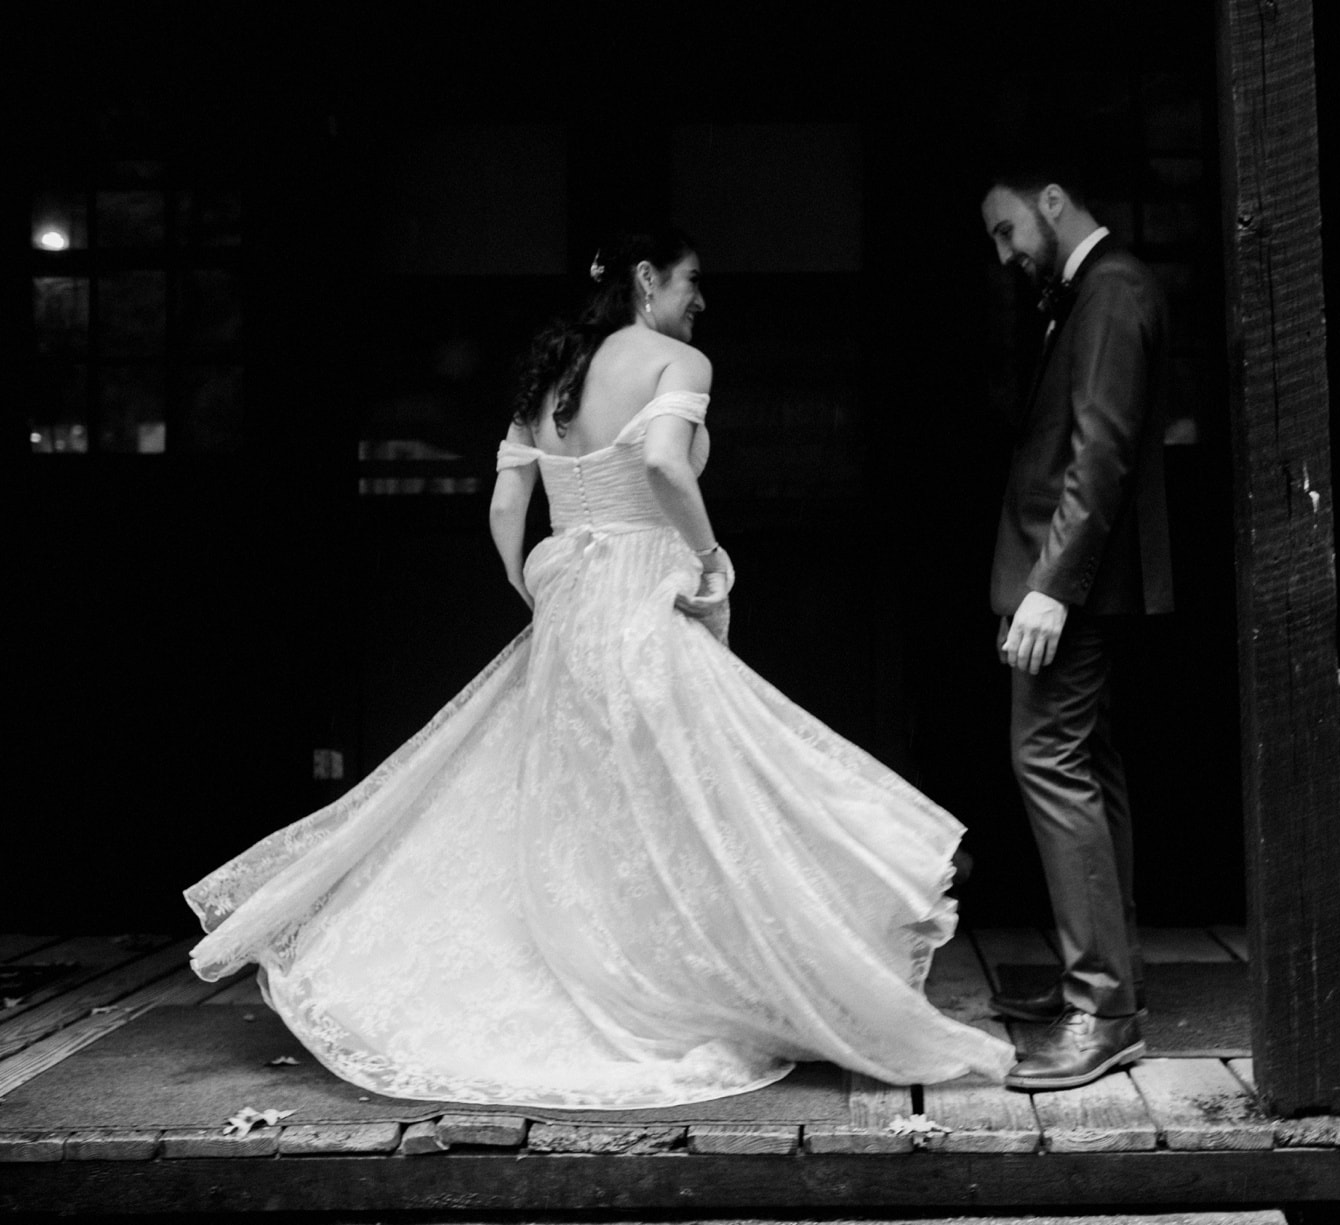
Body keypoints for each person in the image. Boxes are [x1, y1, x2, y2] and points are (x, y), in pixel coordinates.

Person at [183, 228, 1013, 1110]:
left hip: (572, 605)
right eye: (694, 281)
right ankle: (713, 973)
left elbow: (508, 500)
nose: (703, 300)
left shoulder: (552, 373)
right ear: (647, 279)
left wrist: (530, 581)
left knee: (593, 803)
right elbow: (660, 462)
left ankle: (617, 964)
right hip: (645, 595)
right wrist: (712, 556)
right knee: (699, 788)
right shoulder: (676, 364)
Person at [979, 164, 1174, 1092]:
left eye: (1008, 229)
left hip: (1073, 587)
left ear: (1052, 200)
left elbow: (1102, 448)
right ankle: (1105, 984)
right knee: (1085, 761)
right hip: (1080, 582)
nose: (1007, 253)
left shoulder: (1112, 289)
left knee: (1048, 758)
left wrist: (1050, 587)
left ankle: (1104, 1008)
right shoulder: (1092, 291)